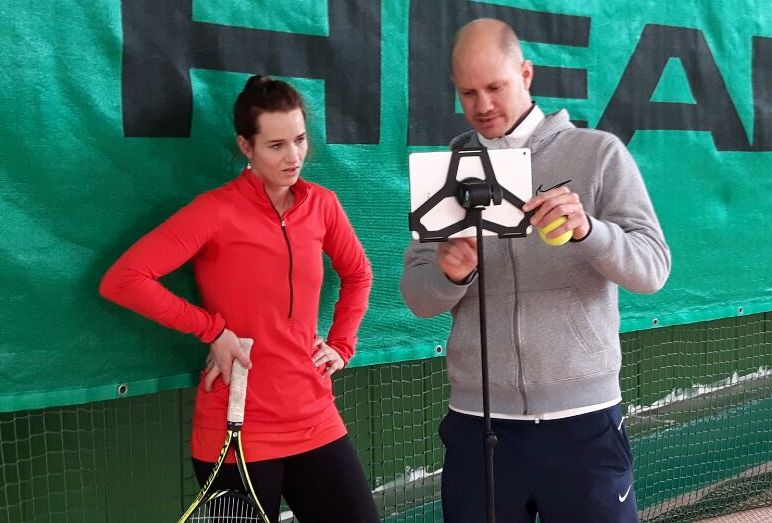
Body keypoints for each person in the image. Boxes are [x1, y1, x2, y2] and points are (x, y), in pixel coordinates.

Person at [400, 19, 671, 523]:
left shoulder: (598, 154)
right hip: (478, 425)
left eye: (496, 87)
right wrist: (450, 275)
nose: (483, 105)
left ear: (526, 73)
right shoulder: (447, 172)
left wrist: (591, 230)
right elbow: (417, 296)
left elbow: (652, 267)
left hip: (583, 425)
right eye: (468, 92)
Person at [100, 75, 379, 522]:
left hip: (314, 416)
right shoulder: (215, 210)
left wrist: (342, 344)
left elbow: (359, 274)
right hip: (235, 428)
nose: (293, 157)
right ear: (246, 147)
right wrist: (212, 330)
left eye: (300, 140)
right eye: (276, 145)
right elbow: (124, 279)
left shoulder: (323, 204)